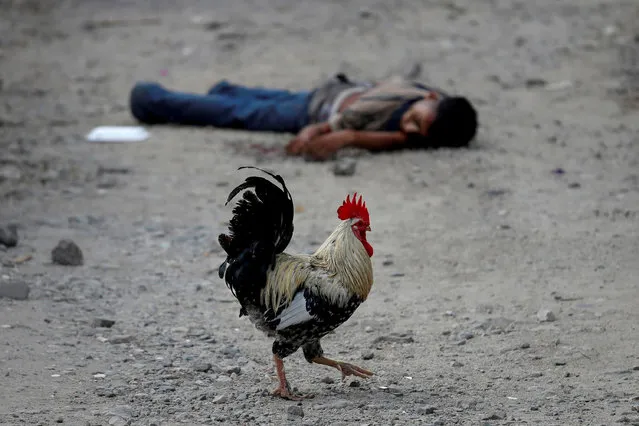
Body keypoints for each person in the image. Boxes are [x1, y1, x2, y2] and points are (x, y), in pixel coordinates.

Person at [129, 73, 478, 160]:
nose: (409, 127)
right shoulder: (407, 91)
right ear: (431, 97)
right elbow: (357, 113)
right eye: (416, 119)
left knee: (254, 103)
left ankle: (223, 90)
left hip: (317, 100)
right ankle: (152, 101)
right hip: (315, 107)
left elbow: (357, 133)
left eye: (419, 133)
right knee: (244, 112)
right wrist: (324, 130)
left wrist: (345, 135)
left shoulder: (416, 127)